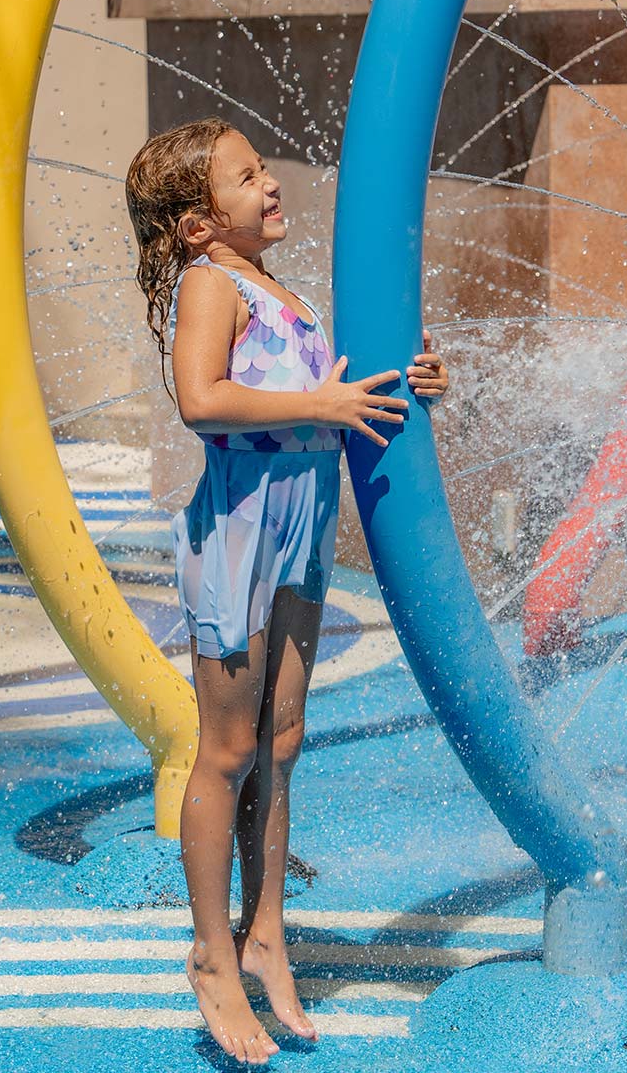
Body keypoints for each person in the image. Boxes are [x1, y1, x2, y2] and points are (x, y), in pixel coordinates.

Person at [125, 118, 450, 1065]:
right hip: (238, 539)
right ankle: (211, 954)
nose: (270, 183)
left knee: (283, 738)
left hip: (301, 535)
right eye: (244, 176)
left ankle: (267, 931)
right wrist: (320, 404)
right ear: (196, 224)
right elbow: (202, 399)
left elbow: (346, 393)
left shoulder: (281, 293)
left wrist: (414, 382)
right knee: (226, 748)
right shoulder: (211, 285)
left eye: (264, 167)